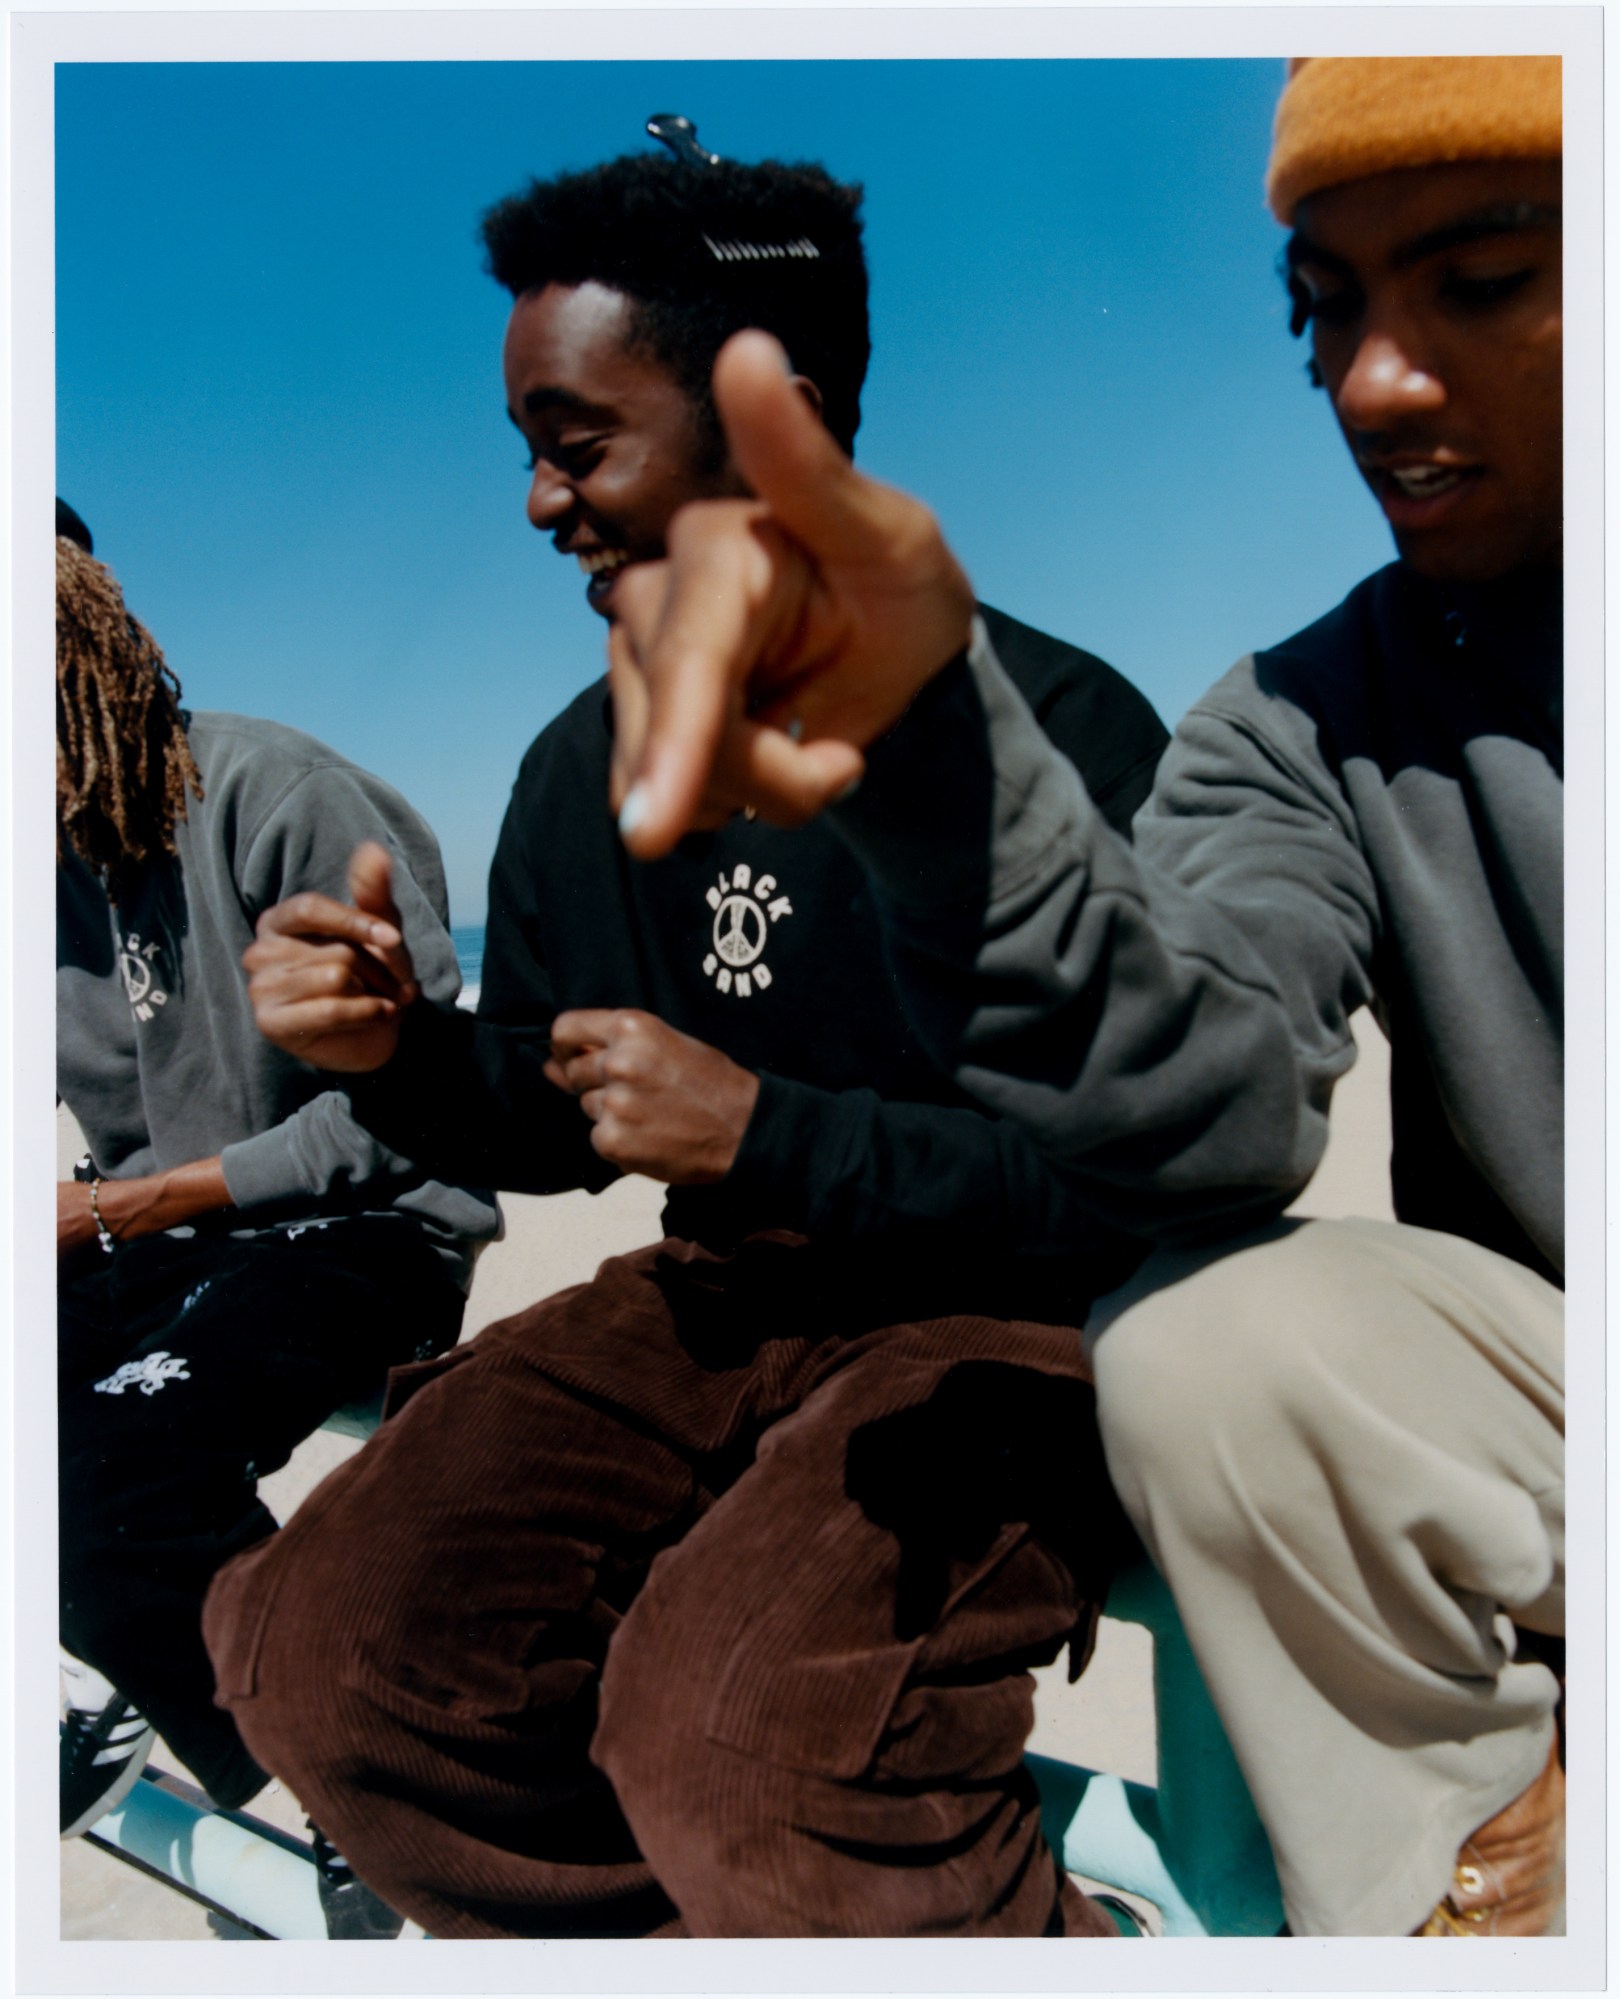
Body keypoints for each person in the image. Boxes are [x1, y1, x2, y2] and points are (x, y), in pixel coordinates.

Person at [594, 58, 1567, 1938]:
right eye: (1331, 308)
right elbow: (1217, 1108)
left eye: (1480, 276)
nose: (1375, 383)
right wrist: (936, 771)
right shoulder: (1301, 721)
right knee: (1206, 1332)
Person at [202, 128, 1169, 1939]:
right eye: (529, 458)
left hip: (1009, 1327)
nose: (538, 502)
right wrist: (398, 1051)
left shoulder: (1058, 731)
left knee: (737, 1739)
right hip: (720, 1297)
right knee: (326, 1658)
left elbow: (1145, 1176)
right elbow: (563, 1116)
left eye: (576, 445)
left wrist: (772, 1134)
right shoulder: (581, 764)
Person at [55, 517, 499, 1912]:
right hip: (181, 1233)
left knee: (112, 1467)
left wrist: (135, 1203)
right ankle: (128, 1678)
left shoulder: (276, 791)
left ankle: (344, 1777)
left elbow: (424, 1106)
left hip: (376, 1221)